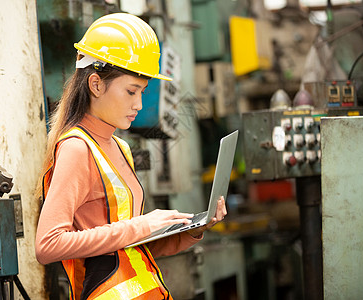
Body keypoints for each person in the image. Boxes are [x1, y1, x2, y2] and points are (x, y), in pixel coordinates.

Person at [35, 13, 227, 300]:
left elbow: (130, 246)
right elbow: (48, 245)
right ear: (96, 84)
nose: (138, 104)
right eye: (130, 91)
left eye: (142, 92)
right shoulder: (77, 148)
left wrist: (193, 230)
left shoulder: (120, 147)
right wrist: (140, 225)